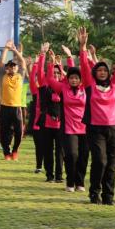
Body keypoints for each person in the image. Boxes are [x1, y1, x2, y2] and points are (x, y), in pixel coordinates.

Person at [78, 27, 115, 205]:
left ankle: (109, 196)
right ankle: (95, 193)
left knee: (111, 164)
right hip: (95, 129)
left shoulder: (114, 86)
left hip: (114, 129)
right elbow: (85, 66)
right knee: (100, 161)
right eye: (99, 70)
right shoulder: (89, 86)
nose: (102, 72)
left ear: (109, 73)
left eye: (105, 70)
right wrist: (83, 47)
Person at [45, 47, 88, 192]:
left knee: (83, 156)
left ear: (80, 79)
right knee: (71, 155)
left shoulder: (86, 89)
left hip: (85, 128)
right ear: (68, 79)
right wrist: (51, 63)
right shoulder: (63, 88)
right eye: (71, 78)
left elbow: (85, 69)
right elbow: (50, 79)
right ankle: (70, 182)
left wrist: (71, 56)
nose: (74, 79)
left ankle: (80, 182)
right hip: (69, 128)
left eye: (76, 77)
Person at [37, 43, 64, 182]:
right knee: (48, 151)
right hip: (46, 124)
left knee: (60, 151)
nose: (56, 75)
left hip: (61, 125)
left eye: (58, 73)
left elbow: (71, 76)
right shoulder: (44, 85)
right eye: (53, 73)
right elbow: (41, 72)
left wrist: (57, 63)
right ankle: (49, 175)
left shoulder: (64, 87)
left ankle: (59, 176)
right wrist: (43, 54)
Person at [0, 40, 26, 160]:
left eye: (14, 66)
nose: (12, 67)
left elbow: (23, 62)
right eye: (10, 66)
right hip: (4, 107)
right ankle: (6, 153)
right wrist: (5, 49)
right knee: (4, 132)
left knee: (19, 132)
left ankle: (15, 151)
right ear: (7, 68)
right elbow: (1, 63)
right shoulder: (2, 76)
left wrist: (14, 50)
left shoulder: (20, 75)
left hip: (17, 108)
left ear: (17, 68)